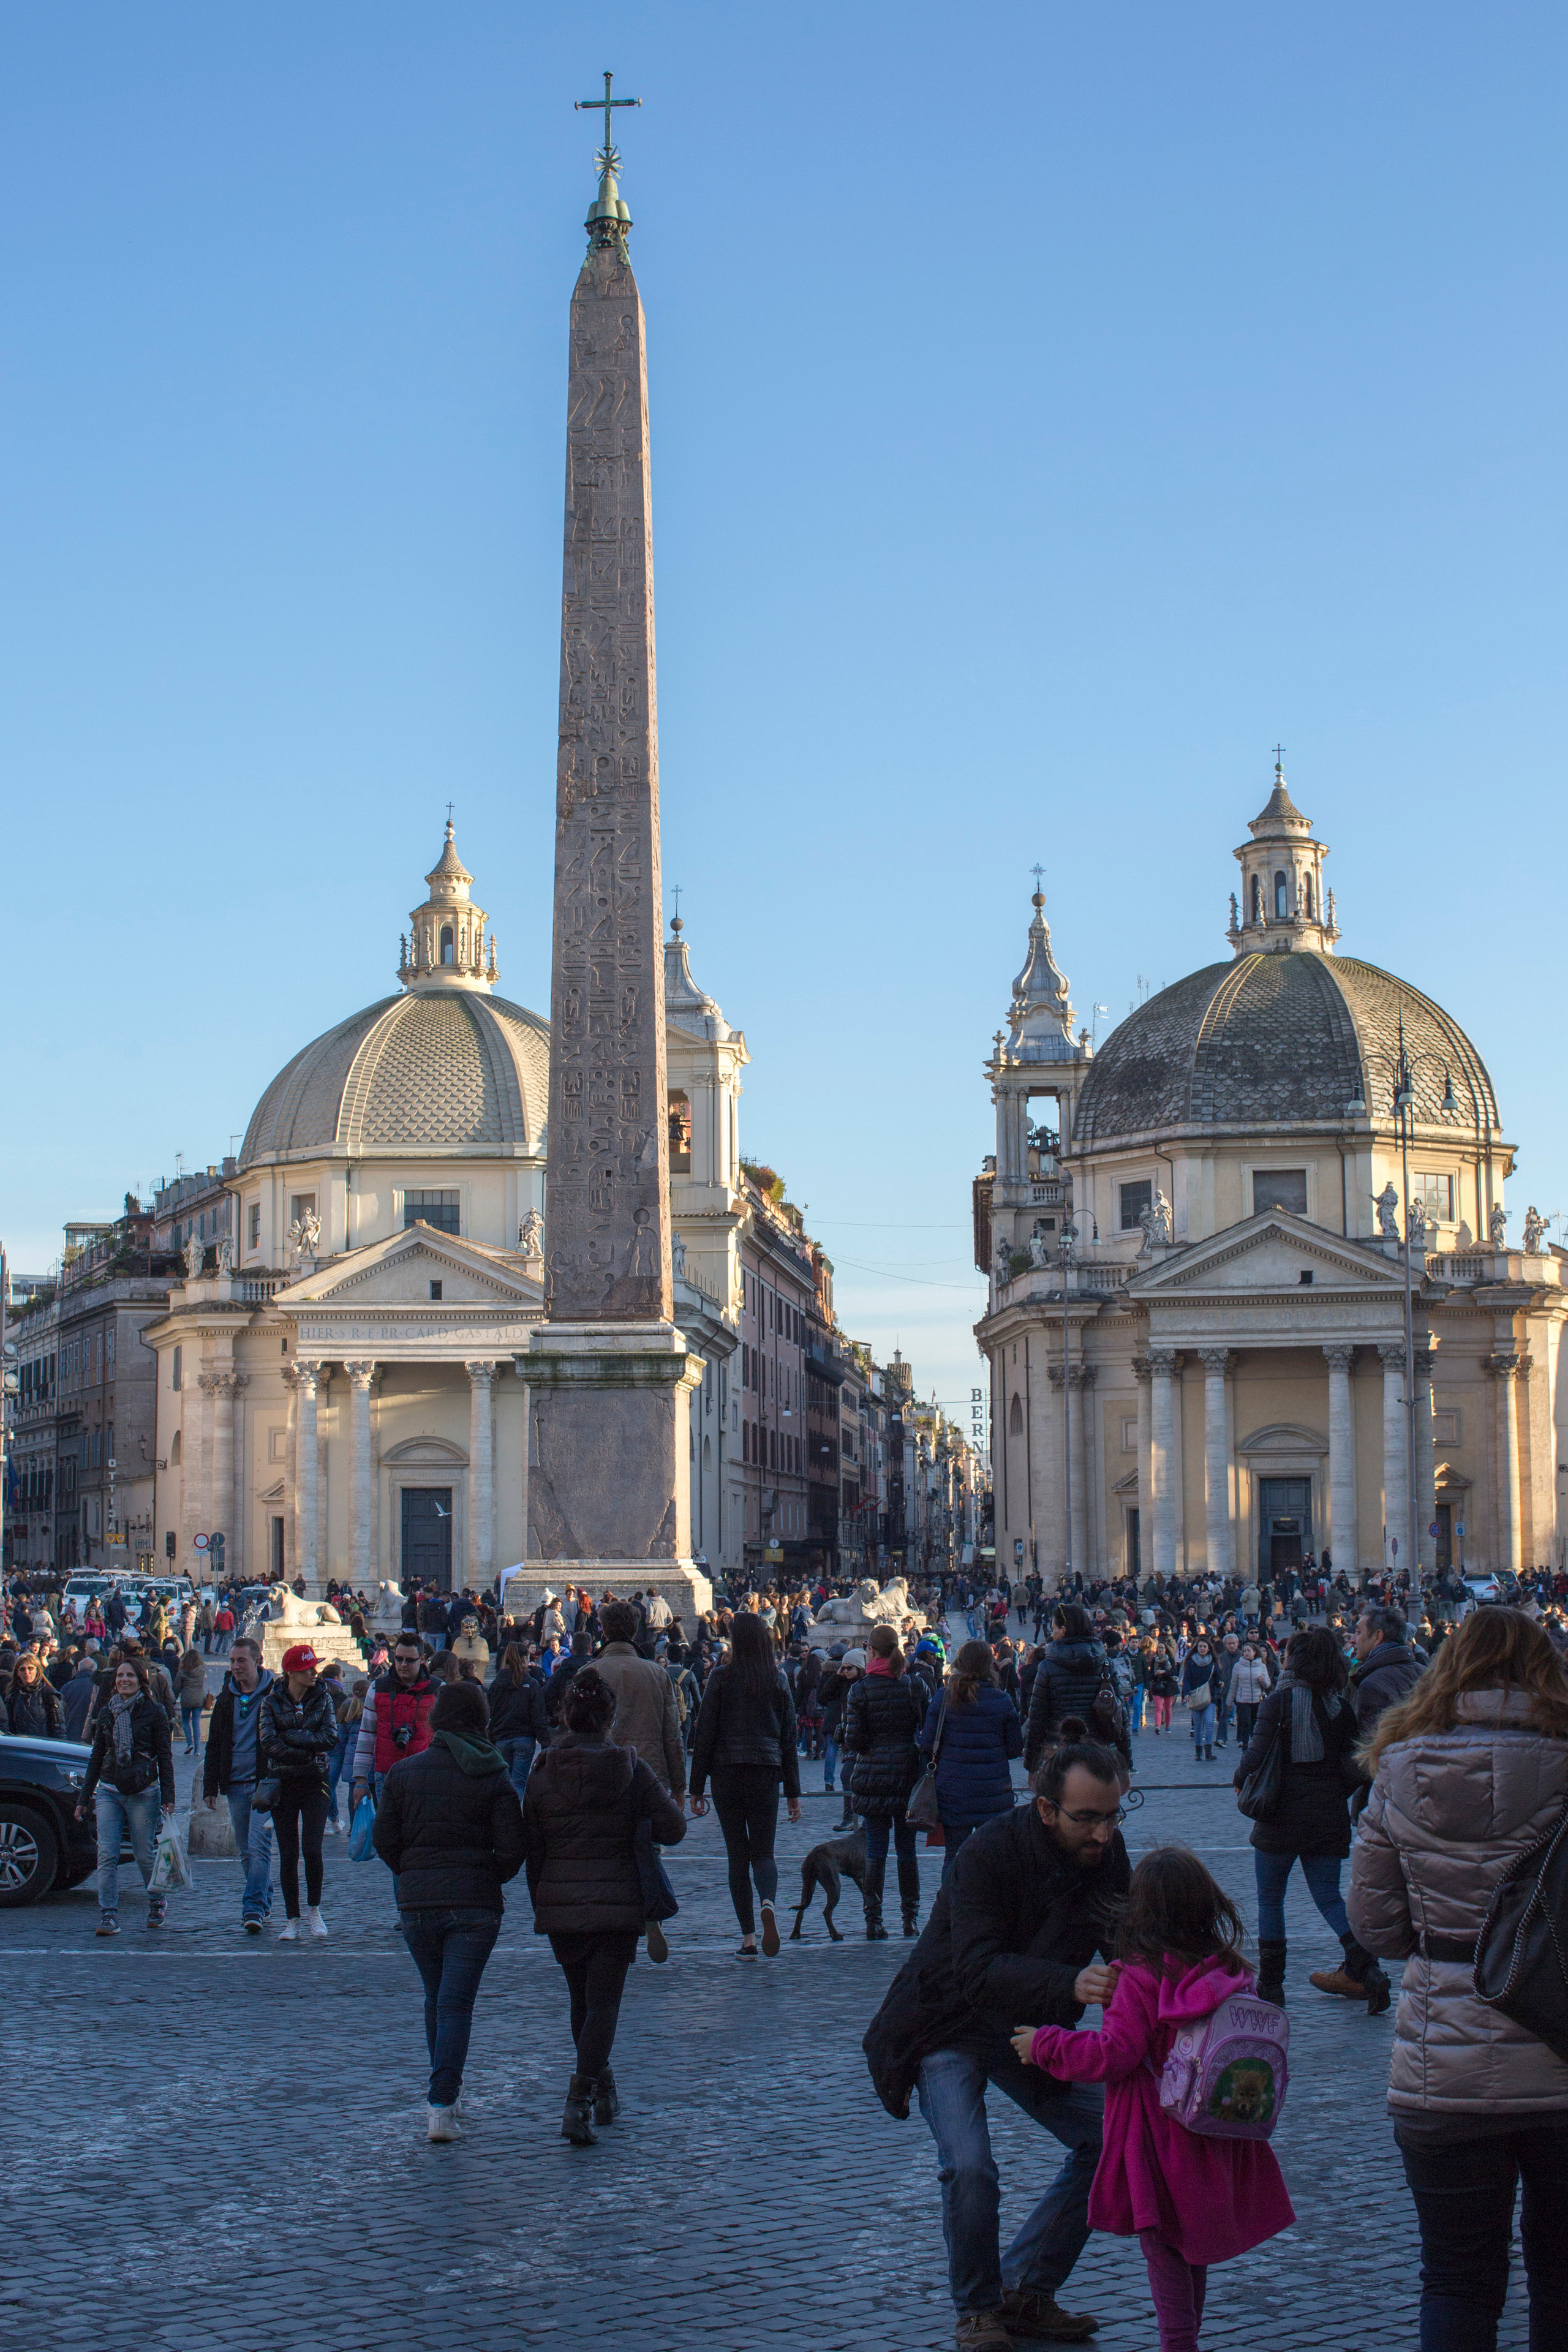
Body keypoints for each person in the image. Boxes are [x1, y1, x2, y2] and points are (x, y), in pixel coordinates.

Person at [864, 1719, 1129, 2351]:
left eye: (1114, 1816)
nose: (1104, 1833)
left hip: (1026, 2027)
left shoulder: (1106, 1855)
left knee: (1111, 2133)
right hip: (946, 2021)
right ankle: (978, 2310)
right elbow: (977, 1971)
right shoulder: (985, 1853)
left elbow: (1131, 1947)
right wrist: (1073, 1985)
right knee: (970, 2165)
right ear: (1045, 1808)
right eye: (1088, 1818)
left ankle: (1027, 2291)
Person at [1348, 1606, 1568, 2350]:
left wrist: (1447, 1941)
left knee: (1456, 2279)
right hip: (1562, 2047)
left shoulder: (1401, 1766)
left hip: (1444, 2058)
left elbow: (1373, 1926)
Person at [1012, 1847, 1295, 2352]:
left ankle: (1178, 2345)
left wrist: (1045, 2045)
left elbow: (1114, 2055)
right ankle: (1187, 2338)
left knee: (1164, 2248)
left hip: (1156, 2135)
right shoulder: (1226, 1970)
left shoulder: (1138, 1977)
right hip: (1213, 2129)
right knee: (1193, 2247)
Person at [523, 1665, 686, 2144]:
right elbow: (674, 1829)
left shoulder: (541, 1771)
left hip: (560, 1900)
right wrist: (638, 1822)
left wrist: (541, 1897)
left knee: (582, 2001)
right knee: (604, 2005)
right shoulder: (630, 1769)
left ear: (567, 1717)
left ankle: (603, 2088)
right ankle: (580, 2102)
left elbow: (532, 1842)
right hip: (617, 1901)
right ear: (609, 1718)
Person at [374, 1677, 526, 2141]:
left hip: (418, 1903)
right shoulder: (494, 1773)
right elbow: (513, 1846)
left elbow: (385, 1840)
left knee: (436, 1998)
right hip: (474, 1905)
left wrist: (412, 1871)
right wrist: (489, 1876)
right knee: (455, 2002)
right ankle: (442, 2102)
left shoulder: (404, 1772)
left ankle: (447, 2097)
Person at [1234, 1623, 1387, 2011]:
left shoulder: (1279, 1702)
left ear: (1294, 1661)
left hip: (1280, 1816)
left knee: (1270, 1900)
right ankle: (1369, 1970)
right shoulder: (1340, 1707)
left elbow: (1254, 1757)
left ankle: (1271, 1986)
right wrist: (1331, 1791)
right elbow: (1355, 1763)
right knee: (1329, 1898)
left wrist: (1239, 1780)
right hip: (1326, 1817)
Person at [690, 1613, 802, 1958]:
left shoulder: (720, 1678)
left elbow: (704, 1733)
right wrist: (794, 1792)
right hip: (766, 1770)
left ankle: (749, 1938)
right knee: (764, 1852)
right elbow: (789, 1738)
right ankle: (768, 1901)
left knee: (737, 1855)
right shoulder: (777, 1678)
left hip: (726, 1771)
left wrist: (696, 1787)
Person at [77, 1656, 176, 1937]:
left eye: (130, 1676)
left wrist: (169, 1795)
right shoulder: (108, 1711)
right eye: (120, 1676)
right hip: (109, 1789)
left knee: (145, 1855)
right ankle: (109, 1915)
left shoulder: (154, 1711)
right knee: (106, 1854)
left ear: (140, 1681)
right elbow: (98, 1755)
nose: (124, 1680)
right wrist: (84, 1799)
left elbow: (165, 1757)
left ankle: (157, 1902)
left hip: (144, 1791)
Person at [842, 1623, 926, 1940]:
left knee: (876, 1851)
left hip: (874, 1777)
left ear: (872, 1652)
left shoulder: (860, 1690)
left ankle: (873, 1921)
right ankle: (911, 1918)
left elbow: (856, 1741)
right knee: (907, 1851)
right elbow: (926, 1732)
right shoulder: (915, 1686)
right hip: (907, 1775)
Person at [917, 1638, 1023, 1881]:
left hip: (954, 1792)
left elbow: (926, 1744)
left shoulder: (944, 1697)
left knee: (954, 1854)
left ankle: (952, 1908)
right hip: (994, 1793)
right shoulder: (1002, 1700)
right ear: (990, 1665)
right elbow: (1015, 1749)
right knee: (995, 1857)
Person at [258, 1643, 337, 1941]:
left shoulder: (324, 1697)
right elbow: (268, 1742)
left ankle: (314, 1909)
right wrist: (307, 1747)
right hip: (284, 1781)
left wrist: (292, 1738)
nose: (314, 1673)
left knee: (313, 1849)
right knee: (288, 1854)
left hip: (316, 1781)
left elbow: (330, 1737)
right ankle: (292, 1918)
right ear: (292, 1672)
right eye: (308, 1668)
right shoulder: (271, 1702)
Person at [202, 1637, 278, 1931]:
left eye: (241, 1661)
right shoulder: (225, 1699)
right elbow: (214, 1746)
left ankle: (253, 1908)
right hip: (235, 1785)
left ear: (257, 1661)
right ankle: (264, 1898)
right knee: (246, 1851)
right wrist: (210, 1787)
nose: (235, 1667)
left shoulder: (274, 1694)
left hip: (265, 1785)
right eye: (232, 1661)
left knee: (260, 1848)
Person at [1023, 1604, 1109, 1770]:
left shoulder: (1047, 1667)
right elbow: (1119, 1713)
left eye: (1053, 1628)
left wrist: (1031, 1763)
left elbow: (1037, 1718)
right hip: (1097, 1749)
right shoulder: (1105, 1663)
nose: (1051, 1633)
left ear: (1063, 1630)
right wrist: (1126, 1761)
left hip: (1057, 1749)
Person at [1349, 1606, 1422, 1746]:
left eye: (1358, 1632)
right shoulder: (1424, 1672)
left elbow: (1371, 1746)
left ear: (1378, 1636)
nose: (1353, 1640)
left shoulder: (1372, 1686)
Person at [6, 1650, 64, 1737]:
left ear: (38, 1670)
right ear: (18, 1673)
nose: (27, 1673)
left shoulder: (49, 1694)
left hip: (42, 1746)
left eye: (30, 1668)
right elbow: (9, 1727)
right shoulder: (13, 1696)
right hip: (20, 1746)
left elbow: (59, 1729)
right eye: (22, 1669)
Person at [1181, 1636, 1219, 1761]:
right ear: (1196, 1649)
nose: (1202, 1648)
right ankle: (1198, 1752)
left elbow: (1217, 1679)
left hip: (1209, 1697)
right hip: (1195, 1697)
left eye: (1204, 1647)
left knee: (1209, 1723)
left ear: (1209, 1649)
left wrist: (1220, 1684)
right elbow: (1186, 1679)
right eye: (1200, 1646)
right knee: (1198, 1726)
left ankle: (1208, 1751)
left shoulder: (1213, 1663)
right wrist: (1186, 1693)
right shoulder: (1191, 1662)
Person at [1227, 1642, 1271, 1746]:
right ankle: (1245, 1746)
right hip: (1243, 1700)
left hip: (1257, 1699)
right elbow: (1234, 1685)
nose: (1246, 1653)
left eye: (1249, 1651)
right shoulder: (1238, 1666)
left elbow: (1268, 1684)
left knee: (1255, 1724)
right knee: (1245, 1723)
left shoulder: (1261, 1666)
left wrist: (1263, 1680)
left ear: (1255, 1652)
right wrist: (1229, 1701)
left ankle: (1255, 1745)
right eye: (1245, 1651)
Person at [175, 1648, 207, 1757]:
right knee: (196, 1722)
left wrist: (175, 1697)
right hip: (199, 1699)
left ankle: (190, 1744)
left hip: (187, 1699)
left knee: (185, 1721)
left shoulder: (182, 1671)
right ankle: (197, 1749)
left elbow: (176, 1687)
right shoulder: (202, 1669)